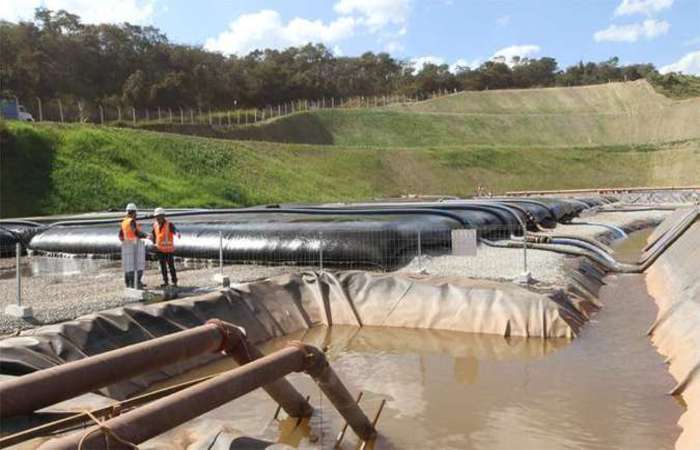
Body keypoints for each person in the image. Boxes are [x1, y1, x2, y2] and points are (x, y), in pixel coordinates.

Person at [119, 203, 148, 288]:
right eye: (135, 213)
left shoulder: (124, 222)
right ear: (133, 212)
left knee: (128, 266)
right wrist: (146, 235)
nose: (136, 215)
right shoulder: (131, 221)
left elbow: (120, 235)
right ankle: (136, 282)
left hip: (127, 245)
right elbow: (136, 232)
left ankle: (128, 283)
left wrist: (124, 241)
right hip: (135, 245)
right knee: (138, 264)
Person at [150, 208, 180, 287]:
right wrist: (153, 243)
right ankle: (165, 281)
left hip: (168, 250)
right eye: (156, 217)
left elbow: (175, 230)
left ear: (163, 216)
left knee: (171, 266)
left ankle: (174, 281)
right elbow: (153, 234)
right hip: (159, 249)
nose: (157, 218)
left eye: (159, 216)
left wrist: (177, 234)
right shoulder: (155, 224)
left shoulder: (169, 224)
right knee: (162, 267)